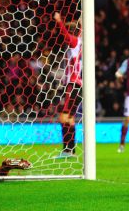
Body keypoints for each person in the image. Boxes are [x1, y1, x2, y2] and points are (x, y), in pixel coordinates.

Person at [54, 12, 82, 158]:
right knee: (70, 118)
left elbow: (66, 36)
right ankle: (70, 151)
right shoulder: (83, 41)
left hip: (74, 84)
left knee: (64, 118)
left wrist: (59, 22)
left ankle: (67, 150)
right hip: (77, 84)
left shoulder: (75, 42)